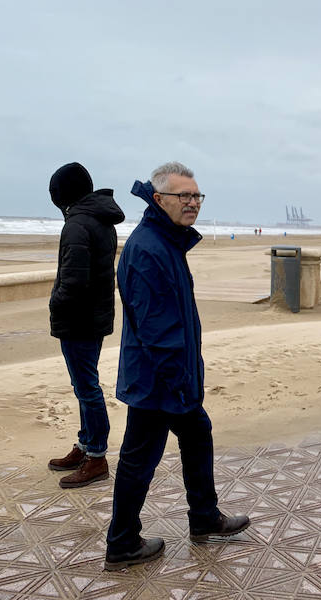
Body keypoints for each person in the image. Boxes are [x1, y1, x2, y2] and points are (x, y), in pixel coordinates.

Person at [104, 162, 250, 571]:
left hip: (170, 376)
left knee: (197, 434)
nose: (192, 203)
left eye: (196, 196)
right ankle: (121, 543)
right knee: (139, 459)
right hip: (159, 379)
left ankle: (203, 517)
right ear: (158, 199)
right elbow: (156, 329)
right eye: (183, 196)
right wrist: (179, 381)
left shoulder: (167, 241)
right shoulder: (149, 248)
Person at [47, 162, 125, 489]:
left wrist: (56, 302)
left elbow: (74, 281)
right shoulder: (99, 220)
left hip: (79, 320)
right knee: (84, 385)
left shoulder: (78, 224)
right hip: (93, 317)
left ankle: (96, 457)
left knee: (87, 387)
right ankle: (85, 444)